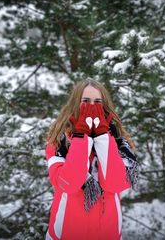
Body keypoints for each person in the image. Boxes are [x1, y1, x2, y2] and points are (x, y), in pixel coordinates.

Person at [44, 78, 139, 240]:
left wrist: (103, 137)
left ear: (104, 105)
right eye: (86, 101)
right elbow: (69, 184)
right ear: (76, 104)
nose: (92, 107)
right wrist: (81, 136)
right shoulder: (58, 143)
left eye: (97, 102)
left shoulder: (119, 141)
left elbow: (115, 183)